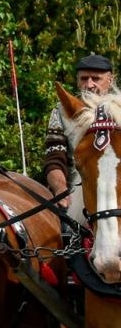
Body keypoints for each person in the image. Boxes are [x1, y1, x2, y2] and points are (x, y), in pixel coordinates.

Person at [45, 53, 115, 223]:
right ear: (77, 81)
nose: (89, 84)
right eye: (84, 78)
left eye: (96, 78)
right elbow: (55, 158)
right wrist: (61, 190)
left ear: (110, 80)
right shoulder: (63, 112)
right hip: (76, 196)